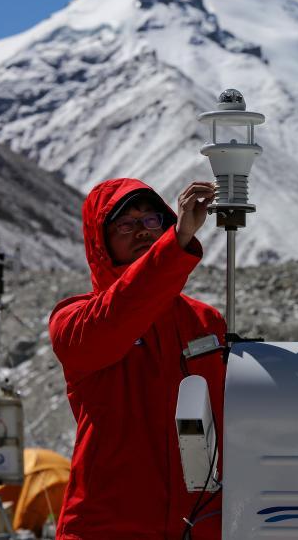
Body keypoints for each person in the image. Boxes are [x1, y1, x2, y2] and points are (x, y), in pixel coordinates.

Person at [49, 178, 225, 539]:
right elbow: (122, 311)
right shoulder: (74, 322)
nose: (143, 231)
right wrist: (176, 241)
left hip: (198, 523)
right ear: (100, 243)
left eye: (151, 220)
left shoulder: (205, 322)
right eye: (126, 225)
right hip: (108, 526)